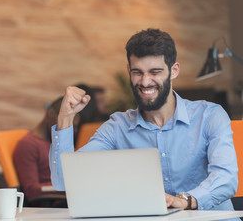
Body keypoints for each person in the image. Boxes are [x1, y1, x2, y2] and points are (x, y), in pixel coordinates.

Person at [49, 28, 238, 214]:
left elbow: (226, 179)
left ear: (174, 71)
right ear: (128, 71)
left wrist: (183, 201)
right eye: (137, 72)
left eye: (155, 72)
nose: (145, 82)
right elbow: (64, 182)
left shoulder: (209, 116)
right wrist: (65, 117)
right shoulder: (117, 127)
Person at [13, 87, 99, 203]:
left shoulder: (61, 143)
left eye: (74, 126)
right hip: (55, 203)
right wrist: (66, 187)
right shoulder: (28, 145)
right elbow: (31, 190)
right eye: (69, 123)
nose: (72, 131)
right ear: (51, 113)